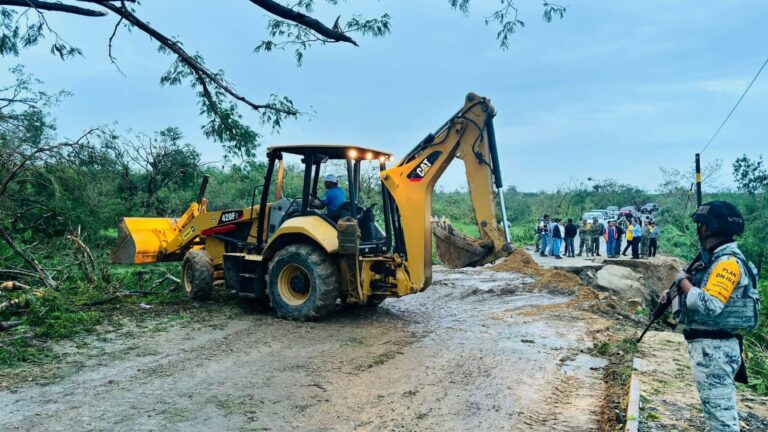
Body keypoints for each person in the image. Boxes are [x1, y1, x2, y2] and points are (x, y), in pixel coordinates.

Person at [668, 201, 760, 431]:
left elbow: (710, 305)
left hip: (715, 350)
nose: (699, 229)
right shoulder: (715, 260)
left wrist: (683, 281)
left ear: (708, 228)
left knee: (721, 422)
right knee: (716, 416)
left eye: (700, 225)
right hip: (711, 347)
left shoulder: (726, 263)